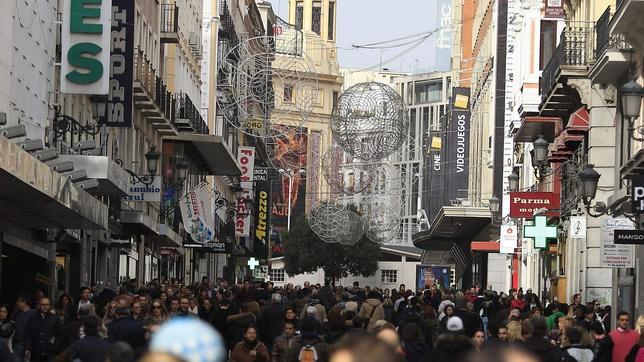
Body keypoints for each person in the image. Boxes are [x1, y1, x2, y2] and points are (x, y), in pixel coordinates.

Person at [24, 297, 62, 362]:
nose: (45, 307)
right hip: (35, 353)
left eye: (47, 304)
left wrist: (54, 346)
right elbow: (27, 333)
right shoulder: (32, 318)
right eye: (43, 304)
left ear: (50, 305)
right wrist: (28, 347)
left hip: (50, 353)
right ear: (39, 305)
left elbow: (60, 334)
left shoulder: (55, 318)